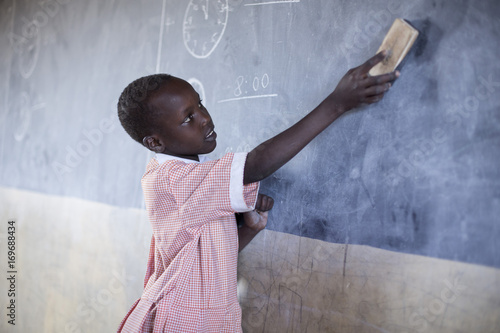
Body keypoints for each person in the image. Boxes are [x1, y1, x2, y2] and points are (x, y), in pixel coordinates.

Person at [116, 51, 398, 332]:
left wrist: (248, 228)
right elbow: (257, 164)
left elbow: (202, 264)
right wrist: (336, 104)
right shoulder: (172, 179)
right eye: (188, 118)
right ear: (155, 142)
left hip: (206, 315)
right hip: (185, 320)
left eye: (200, 105)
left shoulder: (193, 175)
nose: (204, 118)